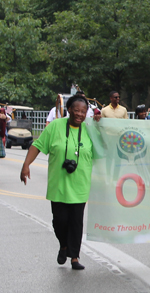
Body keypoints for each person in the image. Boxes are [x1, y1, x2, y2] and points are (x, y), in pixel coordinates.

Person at [20, 95, 99, 270]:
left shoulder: (90, 129)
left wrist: (101, 124)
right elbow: (37, 145)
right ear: (69, 109)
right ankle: (64, 246)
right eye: (76, 110)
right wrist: (26, 165)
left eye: (83, 111)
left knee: (76, 223)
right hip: (59, 185)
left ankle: (74, 257)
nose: (80, 114)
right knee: (60, 221)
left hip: (80, 185)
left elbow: (107, 145)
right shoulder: (55, 126)